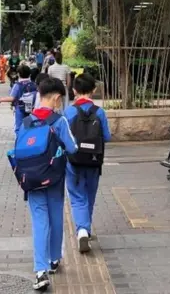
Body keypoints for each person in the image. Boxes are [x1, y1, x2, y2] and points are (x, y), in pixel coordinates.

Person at [19, 77, 78, 290]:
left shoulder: (26, 121)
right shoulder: (59, 121)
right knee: (55, 218)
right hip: (53, 179)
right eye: (60, 100)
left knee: (39, 221)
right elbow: (72, 148)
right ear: (56, 98)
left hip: (32, 180)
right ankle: (54, 259)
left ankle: (40, 270)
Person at [64, 73, 111, 253]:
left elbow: (63, 137)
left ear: (74, 90)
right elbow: (106, 137)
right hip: (93, 160)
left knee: (77, 197)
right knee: (89, 195)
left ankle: (82, 230)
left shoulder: (69, 111)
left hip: (73, 161)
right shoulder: (99, 112)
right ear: (94, 89)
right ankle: (86, 229)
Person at [0, 65, 37, 133]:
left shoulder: (17, 85)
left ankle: (19, 141)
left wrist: (0, 100)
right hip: (31, 109)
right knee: (29, 127)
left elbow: (12, 98)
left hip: (19, 109)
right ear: (29, 74)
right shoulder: (33, 84)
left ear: (18, 74)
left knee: (19, 127)